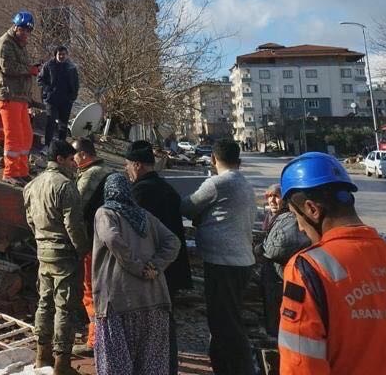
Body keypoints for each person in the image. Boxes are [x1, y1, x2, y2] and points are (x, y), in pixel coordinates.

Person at [277, 152, 386, 375]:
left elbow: (300, 365)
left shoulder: (307, 268)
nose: (300, 228)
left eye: (296, 217)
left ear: (312, 210)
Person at [180, 139, 257, 375]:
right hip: (242, 259)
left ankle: (238, 369)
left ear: (213, 159)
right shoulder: (243, 182)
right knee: (230, 318)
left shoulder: (217, 183)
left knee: (224, 323)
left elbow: (187, 207)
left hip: (223, 262)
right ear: (239, 160)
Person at [92, 173, 181, 375]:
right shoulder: (145, 216)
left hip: (118, 301)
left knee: (117, 364)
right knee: (151, 363)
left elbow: (112, 239)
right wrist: (155, 266)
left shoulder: (105, 213)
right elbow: (173, 242)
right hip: (154, 298)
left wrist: (138, 267)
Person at [125, 140, 192, 375]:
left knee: (151, 325)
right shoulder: (166, 188)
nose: (126, 170)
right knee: (166, 321)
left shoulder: (140, 192)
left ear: (137, 165)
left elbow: (136, 234)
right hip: (171, 266)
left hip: (153, 268)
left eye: (127, 165)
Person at [24, 139, 88, 375]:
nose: (74, 164)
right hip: (64, 255)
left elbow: (30, 220)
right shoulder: (66, 186)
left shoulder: (31, 185)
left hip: (43, 251)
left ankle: (42, 357)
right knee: (65, 308)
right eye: (71, 160)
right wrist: (82, 249)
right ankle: (62, 364)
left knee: (44, 303)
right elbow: (73, 225)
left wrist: (42, 241)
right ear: (59, 159)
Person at [72, 136, 113, 355]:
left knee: (91, 291)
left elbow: (75, 207)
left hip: (93, 242)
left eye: (74, 155)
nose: (72, 160)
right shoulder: (107, 171)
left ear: (83, 155)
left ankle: (95, 341)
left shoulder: (90, 175)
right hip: (108, 240)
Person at [0, 11, 39, 183]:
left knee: (26, 135)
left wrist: (30, 69)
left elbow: (18, 66)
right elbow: (8, 67)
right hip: (8, 95)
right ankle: (10, 173)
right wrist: (29, 70)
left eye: (28, 30)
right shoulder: (5, 43)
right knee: (14, 136)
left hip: (19, 96)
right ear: (16, 27)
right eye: (23, 29)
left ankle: (21, 170)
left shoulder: (19, 44)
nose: (25, 33)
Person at [257, 183, 309, 338]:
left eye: (276, 196)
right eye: (269, 196)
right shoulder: (274, 217)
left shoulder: (289, 219)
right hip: (274, 277)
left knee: (280, 318)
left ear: (284, 199)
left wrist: (262, 248)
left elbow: (279, 248)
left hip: (282, 278)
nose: (272, 200)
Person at [38, 46, 79, 148]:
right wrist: (48, 90)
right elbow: (40, 80)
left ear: (67, 55)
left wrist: (73, 96)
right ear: (55, 55)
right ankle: (47, 145)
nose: (61, 56)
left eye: (63, 54)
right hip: (52, 99)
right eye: (59, 54)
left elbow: (76, 83)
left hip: (66, 100)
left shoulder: (71, 67)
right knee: (51, 122)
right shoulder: (49, 65)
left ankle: (61, 147)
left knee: (63, 125)